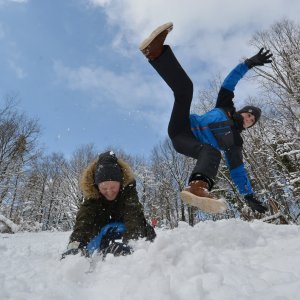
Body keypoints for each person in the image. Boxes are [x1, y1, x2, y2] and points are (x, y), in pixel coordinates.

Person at [139, 22, 272, 214]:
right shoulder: (225, 106)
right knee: (185, 90)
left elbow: (237, 169)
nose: (249, 119)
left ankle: (197, 188)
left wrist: (248, 195)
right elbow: (230, 82)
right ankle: (155, 52)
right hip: (182, 125)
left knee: (212, 152)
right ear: (242, 111)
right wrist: (248, 64)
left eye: (252, 121)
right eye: (249, 114)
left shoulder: (235, 141)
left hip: (187, 141)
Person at [62, 151, 156, 258]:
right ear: (97, 186)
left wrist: (131, 244)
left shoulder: (128, 190)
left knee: (147, 230)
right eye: (104, 188)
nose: (109, 192)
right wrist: (75, 245)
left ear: (120, 184)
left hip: (124, 225)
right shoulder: (93, 195)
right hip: (102, 229)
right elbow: (84, 220)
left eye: (113, 187)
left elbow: (133, 214)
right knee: (88, 237)